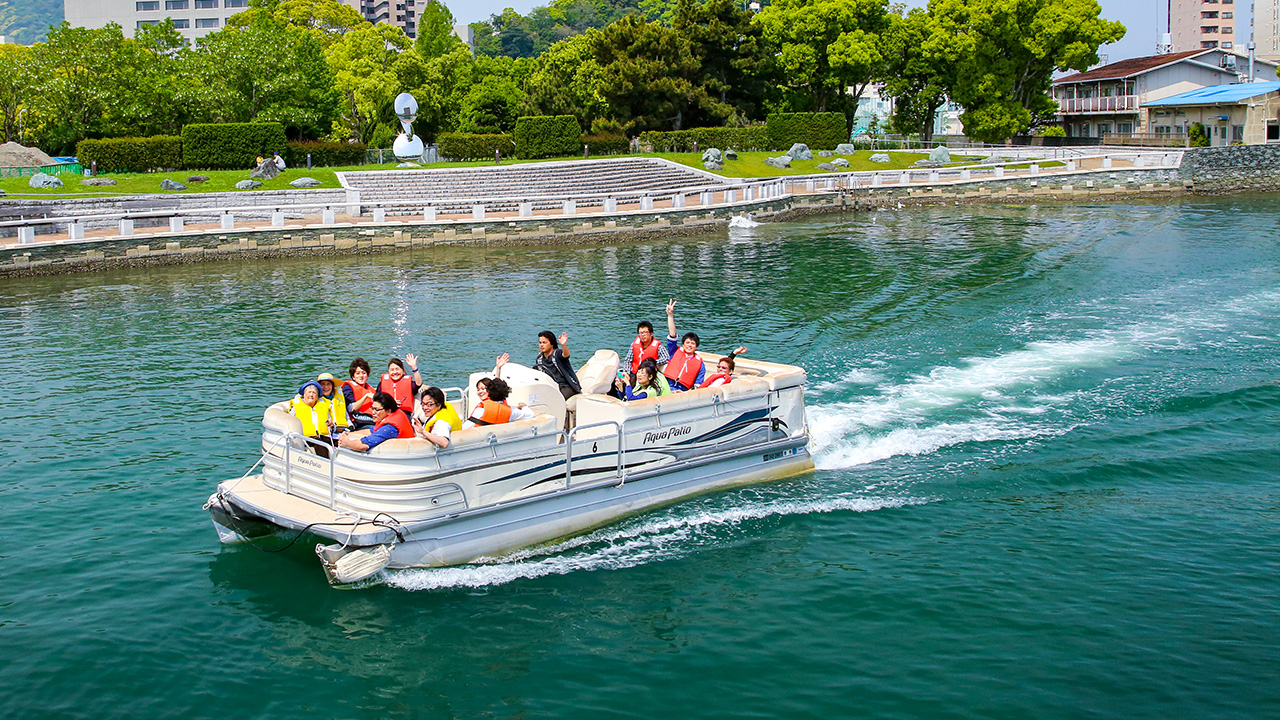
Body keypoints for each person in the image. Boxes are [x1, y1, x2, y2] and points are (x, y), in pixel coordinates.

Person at [338, 392, 413, 452]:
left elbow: (363, 446)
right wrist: (349, 434)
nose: (373, 412)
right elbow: (372, 430)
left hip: (401, 457)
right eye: (372, 408)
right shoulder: (393, 415)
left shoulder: (389, 428)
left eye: (377, 410)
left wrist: (346, 443)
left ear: (388, 411)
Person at [661, 299, 706, 392]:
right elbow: (672, 335)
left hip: (682, 391)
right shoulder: (675, 351)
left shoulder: (700, 364)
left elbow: (698, 384)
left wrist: (685, 393)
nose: (689, 345)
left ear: (696, 347)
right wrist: (670, 315)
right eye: (687, 343)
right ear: (683, 344)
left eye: (692, 343)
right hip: (667, 386)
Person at [462, 377, 536, 428]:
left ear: (489, 392)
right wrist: (523, 406)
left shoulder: (481, 410)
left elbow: (464, 428)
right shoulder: (511, 411)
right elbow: (531, 414)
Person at [378, 354, 422, 419]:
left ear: (403, 371)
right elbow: (378, 399)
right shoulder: (382, 383)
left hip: (403, 414)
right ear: (388, 371)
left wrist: (414, 367)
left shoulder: (409, 384)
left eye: (397, 369)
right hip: (387, 413)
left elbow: (418, 383)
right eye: (392, 370)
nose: (395, 372)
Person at [342, 358, 376, 429]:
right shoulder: (348, 388)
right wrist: (366, 396)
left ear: (367, 376)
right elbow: (351, 408)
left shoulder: (371, 389)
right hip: (359, 422)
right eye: (358, 373)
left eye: (364, 373)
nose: (361, 376)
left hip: (373, 419)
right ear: (353, 377)